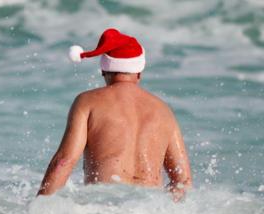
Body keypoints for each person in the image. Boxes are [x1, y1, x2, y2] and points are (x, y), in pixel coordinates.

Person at [37, 28, 192, 202]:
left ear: (103, 70)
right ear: (139, 71)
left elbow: (64, 162)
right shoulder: (164, 111)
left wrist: (37, 212)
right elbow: (183, 181)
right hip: (148, 208)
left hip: (105, 205)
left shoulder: (87, 102)